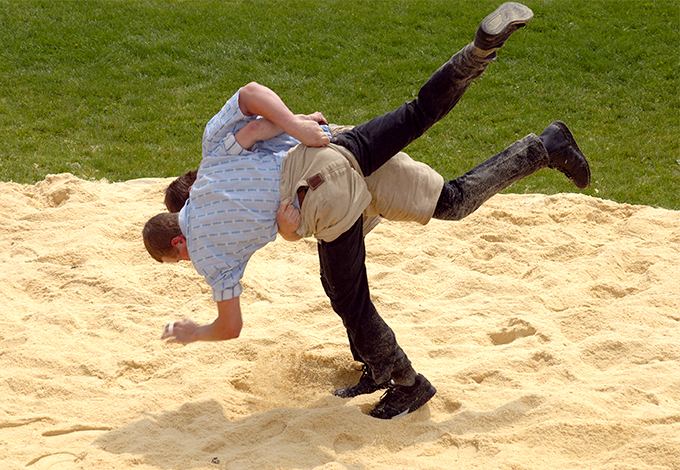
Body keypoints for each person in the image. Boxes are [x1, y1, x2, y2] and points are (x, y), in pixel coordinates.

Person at [143, 2, 591, 419]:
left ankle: (405, 382)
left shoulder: (209, 254)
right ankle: (494, 75)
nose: (185, 261)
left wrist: (194, 331)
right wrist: (297, 123)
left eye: (176, 259)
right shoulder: (216, 156)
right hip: (339, 147)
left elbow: (231, 324)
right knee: (425, 132)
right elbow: (254, 103)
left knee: (348, 296)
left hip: (327, 198)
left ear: (179, 240)